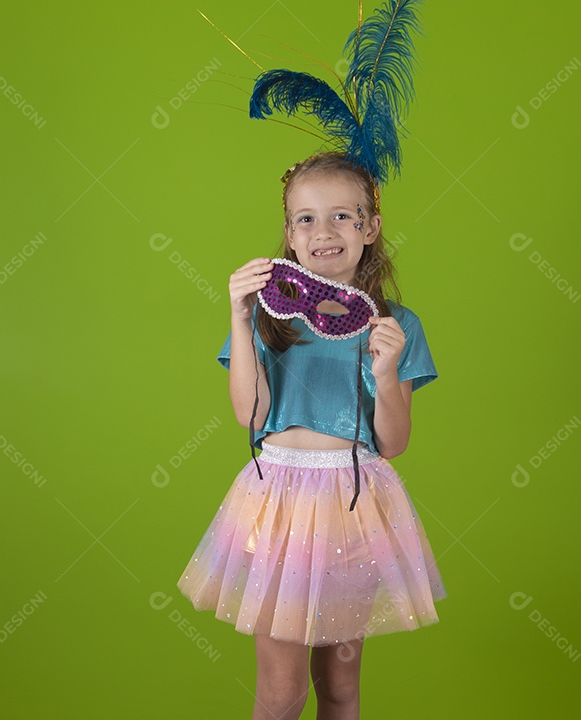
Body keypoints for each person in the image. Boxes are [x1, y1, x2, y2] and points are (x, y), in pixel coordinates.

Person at [178, 151, 445, 720]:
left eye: (343, 217)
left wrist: (386, 371)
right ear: (289, 237)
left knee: (341, 688)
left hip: (354, 508)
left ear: (370, 228)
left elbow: (393, 442)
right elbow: (251, 413)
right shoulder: (265, 318)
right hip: (277, 508)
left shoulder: (397, 325)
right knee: (280, 694)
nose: (323, 231)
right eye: (305, 218)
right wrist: (237, 315)